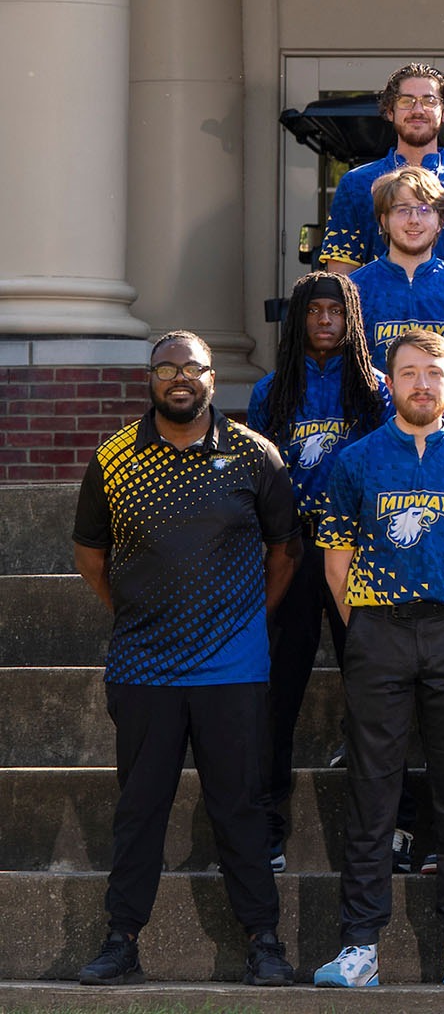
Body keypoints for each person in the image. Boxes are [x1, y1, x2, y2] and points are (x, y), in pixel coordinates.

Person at [72, 331, 300, 988]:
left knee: (240, 806)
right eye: (165, 368)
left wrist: (248, 618)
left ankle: (264, 942)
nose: (179, 378)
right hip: (144, 665)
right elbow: (90, 555)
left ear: (210, 377)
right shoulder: (115, 457)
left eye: (191, 367)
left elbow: (285, 549)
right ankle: (121, 940)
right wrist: (132, 610)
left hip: (233, 667)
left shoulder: (256, 456)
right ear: (150, 379)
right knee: (141, 806)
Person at [313, 329, 444, 988]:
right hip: (378, 633)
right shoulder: (357, 461)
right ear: (390, 383)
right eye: (408, 373)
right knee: (374, 793)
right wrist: (364, 625)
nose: (422, 384)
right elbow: (335, 558)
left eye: (434, 373)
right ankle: (359, 945)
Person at [248, 272, 390, 872]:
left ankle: (386, 830)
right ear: (298, 319)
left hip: (362, 550)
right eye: (314, 311)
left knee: (377, 692)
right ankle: (267, 824)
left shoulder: (377, 389)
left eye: (337, 310)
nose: (326, 320)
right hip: (297, 551)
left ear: (352, 318)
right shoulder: (270, 391)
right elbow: (254, 480)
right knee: (279, 691)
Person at [319, 62, 444, 285]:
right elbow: (341, 275)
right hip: (375, 316)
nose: (418, 110)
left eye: (429, 101)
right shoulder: (357, 184)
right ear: (390, 111)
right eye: (407, 101)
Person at [349, 166, 444, 366]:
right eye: (402, 210)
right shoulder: (355, 289)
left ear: (440, 221)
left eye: (424, 210)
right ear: (383, 221)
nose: (414, 220)